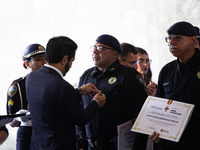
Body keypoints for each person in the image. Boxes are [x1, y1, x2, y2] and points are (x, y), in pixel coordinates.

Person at [26, 36, 106, 150]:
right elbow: (81, 118)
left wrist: (79, 91)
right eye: (71, 61)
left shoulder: (32, 77)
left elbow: (51, 100)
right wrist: (96, 102)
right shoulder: (62, 86)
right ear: (64, 60)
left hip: (37, 145)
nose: (71, 65)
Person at [76, 34, 148, 150]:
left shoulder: (127, 76)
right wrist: (79, 139)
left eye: (100, 48)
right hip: (90, 146)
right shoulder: (86, 76)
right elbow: (78, 109)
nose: (94, 51)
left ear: (115, 53)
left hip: (118, 146)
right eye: (94, 48)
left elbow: (142, 113)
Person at [149, 21, 200, 149]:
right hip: (170, 143)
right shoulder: (167, 70)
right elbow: (160, 105)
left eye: (177, 38)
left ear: (193, 41)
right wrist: (155, 128)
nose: (172, 42)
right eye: (169, 39)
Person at [6, 43, 46, 150]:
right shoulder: (18, 86)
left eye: (45, 59)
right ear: (27, 64)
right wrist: (20, 117)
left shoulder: (52, 83)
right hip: (28, 132)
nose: (43, 63)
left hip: (47, 132)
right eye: (38, 60)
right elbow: (12, 123)